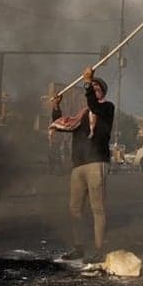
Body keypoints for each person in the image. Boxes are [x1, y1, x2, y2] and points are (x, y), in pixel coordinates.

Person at [50, 66, 115, 263]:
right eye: (91, 87)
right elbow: (63, 124)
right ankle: (78, 247)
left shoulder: (106, 108)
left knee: (98, 208)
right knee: (75, 209)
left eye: (96, 88)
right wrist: (56, 107)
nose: (93, 89)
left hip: (96, 163)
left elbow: (94, 105)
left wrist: (87, 82)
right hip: (78, 165)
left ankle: (99, 250)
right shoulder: (81, 116)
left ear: (102, 93)